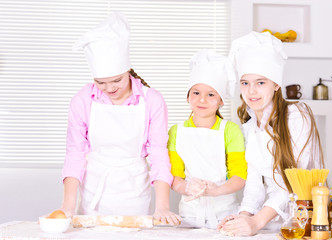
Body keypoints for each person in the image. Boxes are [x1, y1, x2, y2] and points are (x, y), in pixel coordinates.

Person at [57, 12, 180, 225]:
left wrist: (162, 207)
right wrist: (67, 206)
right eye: (101, 83)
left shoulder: (152, 100)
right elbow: (75, 153)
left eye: (117, 80)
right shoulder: (82, 100)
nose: (109, 89)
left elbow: (158, 153)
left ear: (128, 71)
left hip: (134, 190)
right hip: (94, 188)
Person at [217, 31, 325, 236]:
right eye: (245, 83)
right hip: (272, 221)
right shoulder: (249, 126)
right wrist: (245, 215)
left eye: (260, 82)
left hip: (304, 221)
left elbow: (294, 180)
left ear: (276, 85)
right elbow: (255, 183)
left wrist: (256, 221)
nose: (251, 92)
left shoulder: (297, 116)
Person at [168, 49, 247, 229]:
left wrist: (215, 191)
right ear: (188, 96)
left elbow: (239, 176)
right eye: (196, 93)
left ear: (220, 101)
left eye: (211, 94)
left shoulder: (230, 130)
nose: (202, 100)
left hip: (225, 216)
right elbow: (174, 176)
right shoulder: (176, 132)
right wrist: (187, 188)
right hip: (188, 216)